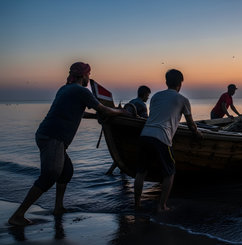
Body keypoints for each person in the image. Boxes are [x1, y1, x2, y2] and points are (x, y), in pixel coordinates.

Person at [8, 62, 128, 226]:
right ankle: (18, 215)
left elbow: (77, 112)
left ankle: (58, 207)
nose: (89, 78)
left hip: (48, 135)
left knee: (66, 171)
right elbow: (104, 110)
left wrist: (95, 118)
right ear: (84, 75)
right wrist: (121, 112)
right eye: (88, 74)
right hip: (53, 137)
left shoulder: (65, 89)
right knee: (49, 175)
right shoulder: (81, 91)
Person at [134, 69, 202, 212]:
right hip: (162, 138)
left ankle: (137, 205)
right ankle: (162, 206)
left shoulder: (155, 97)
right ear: (180, 84)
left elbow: (156, 116)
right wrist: (197, 133)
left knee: (141, 172)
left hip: (145, 135)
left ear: (166, 82)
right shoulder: (183, 99)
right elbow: (190, 124)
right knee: (170, 173)